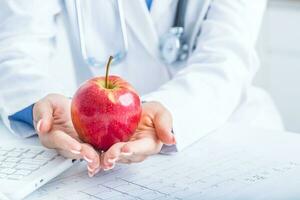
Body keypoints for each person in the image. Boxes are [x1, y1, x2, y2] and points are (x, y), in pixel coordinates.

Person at [0, 0, 283, 177]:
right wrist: (41, 106)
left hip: (225, 130)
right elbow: (15, 47)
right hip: (104, 153)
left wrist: (168, 112)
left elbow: (227, 58)